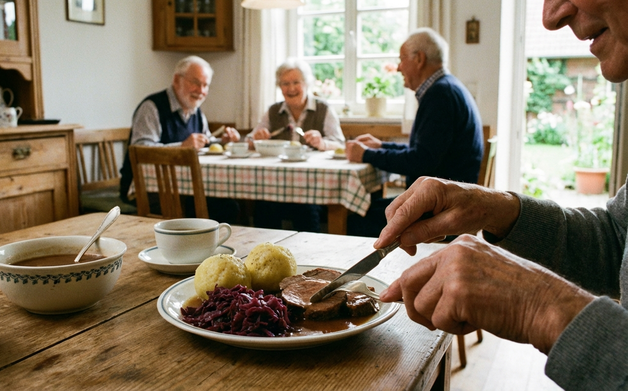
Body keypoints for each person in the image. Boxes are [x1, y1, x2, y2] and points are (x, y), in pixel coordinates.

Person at [375, 1, 628, 389]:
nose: (550, 16)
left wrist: (539, 306)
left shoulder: (439, 93)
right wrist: (497, 209)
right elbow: (615, 239)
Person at [346, 28, 483, 237]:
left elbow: (421, 161)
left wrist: (366, 154)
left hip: (442, 208)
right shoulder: (447, 87)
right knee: (366, 207)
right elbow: (426, 151)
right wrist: (381, 146)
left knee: (354, 216)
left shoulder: (440, 94)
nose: (399, 67)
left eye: (402, 59)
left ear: (419, 59)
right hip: (448, 201)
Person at [119, 55, 241, 223]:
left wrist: (223, 142)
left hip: (186, 189)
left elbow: (205, 142)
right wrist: (182, 147)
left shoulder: (196, 111)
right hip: (149, 191)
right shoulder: (152, 107)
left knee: (229, 206)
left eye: (205, 85)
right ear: (177, 80)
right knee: (222, 209)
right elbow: (140, 150)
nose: (201, 91)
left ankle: (214, 249)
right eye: (195, 82)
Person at [248, 58, 346, 232]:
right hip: (275, 187)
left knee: (305, 209)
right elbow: (249, 141)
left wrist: (322, 143)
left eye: (296, 82)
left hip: (312, 189)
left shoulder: (323, 109)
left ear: (307, 84)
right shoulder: (273, 111)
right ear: (279, 87)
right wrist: (257, 138)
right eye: (285, 83)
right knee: (263, 205)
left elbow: (340, 144)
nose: (291, 88)